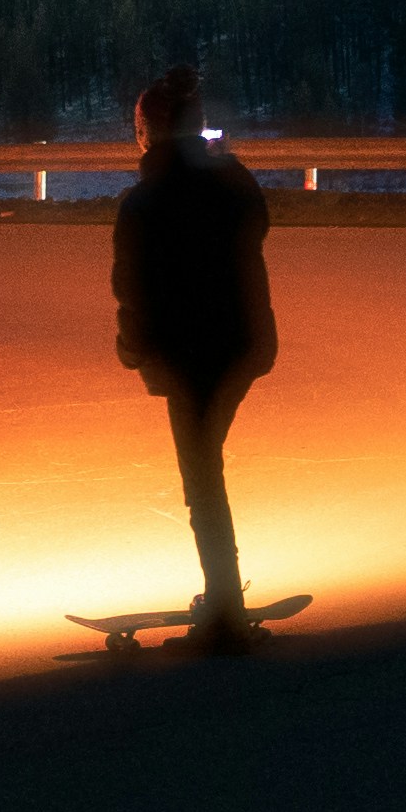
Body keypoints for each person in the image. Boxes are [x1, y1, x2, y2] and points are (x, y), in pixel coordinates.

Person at [111, 62, 277, 641]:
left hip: (184, 357)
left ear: (146, 132)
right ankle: (224, 595)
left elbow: (133, 292)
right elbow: (257, 222)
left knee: (202, 476)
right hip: (245, 344)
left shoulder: (142, 203)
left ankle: (225, 609)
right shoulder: (232, 184)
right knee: (207, 468)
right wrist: (222, 159)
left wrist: (132, 351)